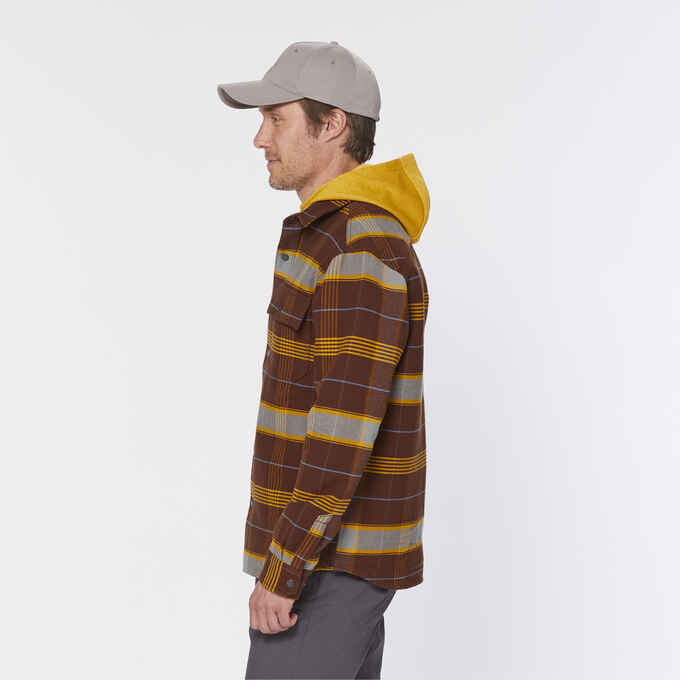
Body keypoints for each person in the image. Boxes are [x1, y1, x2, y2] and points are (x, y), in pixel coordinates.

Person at [216, 40, 431, 679]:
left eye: (276, 119)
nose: (260, 138)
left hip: (326, 566)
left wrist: (284, 569)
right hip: (329, 560)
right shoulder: (334, 237)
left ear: (333, 124)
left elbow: (343, 429)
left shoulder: (357, 247)